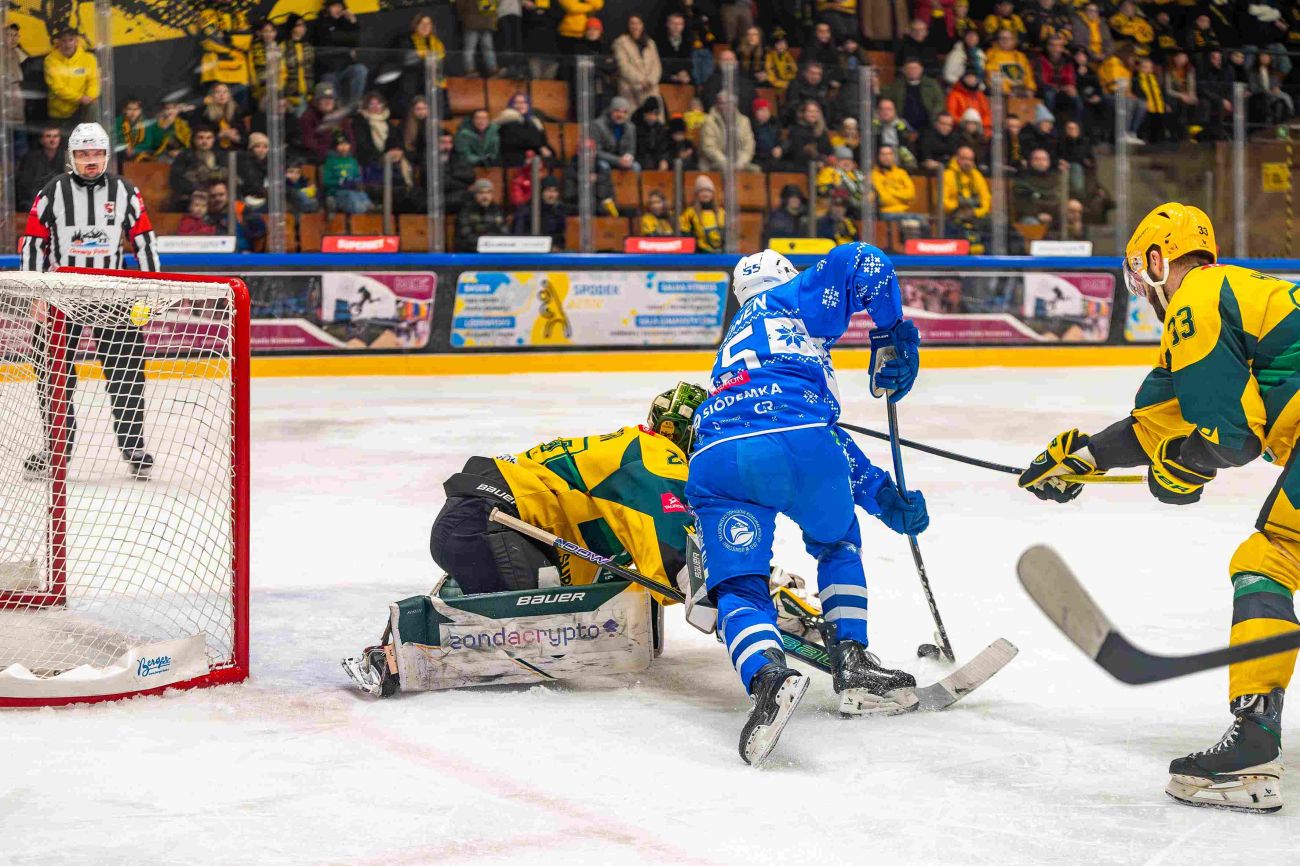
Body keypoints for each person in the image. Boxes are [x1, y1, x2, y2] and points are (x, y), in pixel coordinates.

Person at [1016, 202, 1300, 813]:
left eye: (1141, 277)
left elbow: (1229, 437)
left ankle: (1253, 743)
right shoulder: (1236, 293)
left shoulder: (1197, 296)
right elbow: (1160, 420)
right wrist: (1085, 458)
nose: (1143, 293)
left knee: (1270, 560)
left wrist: (1185, 465)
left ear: (1157, 259)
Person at [685, 244, 926, 765]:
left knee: (739, 584)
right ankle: (853, 663)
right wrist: (892, 334)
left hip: (716, 457)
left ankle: (768, 678)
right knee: (837, 544)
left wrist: (882, 492)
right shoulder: (790, 298)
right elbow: (864, 260)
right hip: (802, 443)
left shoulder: (730, 348)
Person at [18, 122, 161, 482]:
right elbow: (33, 243)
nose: (91, 160)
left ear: (107, 155)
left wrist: (152, 290)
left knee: (127, 373)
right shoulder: (52, 191)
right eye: (83, 154)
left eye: (97, 153)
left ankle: (134, 447)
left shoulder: (126, 191)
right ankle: (56, 448)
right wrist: (36, 294)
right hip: (61, 297)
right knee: (52, 375)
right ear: (72, 156)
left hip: (112, 295)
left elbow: (144, 241)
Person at [198, 0, 253, 107]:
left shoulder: (239, 15)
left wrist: (228, 40)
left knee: (241, 110)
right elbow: (209, 42)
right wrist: (232, 48)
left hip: (238, 73)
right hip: (215, 72)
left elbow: (246, 40)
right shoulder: (206, 14)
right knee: (214, 110)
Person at [314, 0, 367, 106]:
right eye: (334, 6)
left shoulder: (345, 23)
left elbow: (356, 41)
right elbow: (332, 38)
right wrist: (348, 47)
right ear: (328, 8)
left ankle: (354, 105)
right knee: (329, 79)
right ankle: (337, 108)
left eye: (340, 6)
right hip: (329, 69)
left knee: (360, 69)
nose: (338, 9)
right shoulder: (320, 23)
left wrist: (353, 22)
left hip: (345, 67)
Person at [44, 27, 98, 128]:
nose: (67, 44)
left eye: (70, 40)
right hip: (59, 114)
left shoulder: (89, 58)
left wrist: (89, 97)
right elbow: (57, 87)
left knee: (94, 106)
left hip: (81, 110)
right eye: (64, 41)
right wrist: (79, 98)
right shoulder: (50, 60)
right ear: (58, 42)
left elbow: (94, 81)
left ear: (76, 41)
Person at [168, 125, 226, 210]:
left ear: (213, 140)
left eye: (208, 138)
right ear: (194, 140)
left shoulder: (221, 156)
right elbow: (176, 179)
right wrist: (193, 190)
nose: (204, 141)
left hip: (217, 195)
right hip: (192, 196)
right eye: (200, 138)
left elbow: (227, 174)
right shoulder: (184, 156)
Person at [943, 145, 991, 245]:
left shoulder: (977, 175)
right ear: (957, 159)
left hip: (976, 215)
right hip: (955, 215)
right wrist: (957, 209)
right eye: (964, 159)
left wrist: (977, 212)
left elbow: (986, 199)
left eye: (970, 160)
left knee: (994, 225)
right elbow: (942, 201)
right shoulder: (947, 175)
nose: (968, 163)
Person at [882, 59, 945, 135]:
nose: (912, 71)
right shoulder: (896, 85)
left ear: (921, 69)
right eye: (909, 68)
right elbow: (887, 100)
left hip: (928, 125)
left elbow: (940, 102)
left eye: (915, 68)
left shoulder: (932, 84)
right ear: (904, 70)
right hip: (903, 126)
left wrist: (934, 117)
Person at [698, 91, 755, 172]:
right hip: (713, 163)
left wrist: (741, 162)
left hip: (738, 163)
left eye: (728, 103)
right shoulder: (708, 121)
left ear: (734, 105)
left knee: (756, 171)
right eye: (721, 103)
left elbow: (749, 147)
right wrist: (725, 162)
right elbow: (709, 147)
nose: (724, 106)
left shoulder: (744, 121)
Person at [612, 16, 661, 110]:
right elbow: (623, 66)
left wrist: (650, 81)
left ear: (642, 25)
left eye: (638, 23)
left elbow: (656, 66)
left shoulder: (650, 43)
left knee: (653, 112)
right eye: (632, 23)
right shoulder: (620, 42)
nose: (635, 26)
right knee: (632, 115)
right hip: (630, 88)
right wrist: (641, 80)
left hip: (650, 88)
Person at [496, 92, 555, 167]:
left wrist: (547, 150)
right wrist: (539, 147)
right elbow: (512, 145)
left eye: (524, 102)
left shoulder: (535, 122)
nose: (521, 105)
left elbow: (543, 142)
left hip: (535, 157)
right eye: (517, 102)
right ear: (511, 105)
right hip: (514, 159)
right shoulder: (507, 122)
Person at [322, 131, 372, 214]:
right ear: (335, 147)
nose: (344, 148)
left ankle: (368, 209)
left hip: (353, 189)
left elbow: (357, 176)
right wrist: (341, 182)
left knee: (362, 195)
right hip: (337, 191)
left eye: (346, 144)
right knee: (351, 196)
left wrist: (357, 181)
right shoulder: (330, 162)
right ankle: (334, 204)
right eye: (340, 145)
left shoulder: (353, 161)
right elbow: (326, 181)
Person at [16, 126, 65, 209]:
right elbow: (25, 186)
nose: (52, 140)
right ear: (41, 140)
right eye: (48, 136)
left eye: (56, 136)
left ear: (60, 139)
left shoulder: (66, 157)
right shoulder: (30, 158)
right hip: (34, 205)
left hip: (60, 206)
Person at [511, 175, 565, 247]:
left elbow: (560, 239)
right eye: (548, 191)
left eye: (555, 191)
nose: (552, 195)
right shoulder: (526, 211)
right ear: (541, 192)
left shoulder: (559, 211)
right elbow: (517, 237)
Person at [456, 178, 506, 251]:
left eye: (488, 192)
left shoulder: (497, 210)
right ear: (475, 195)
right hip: (472, 250)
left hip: (494, 249)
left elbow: (504, 232)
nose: (485, 196)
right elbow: (465, 234)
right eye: (481, 193)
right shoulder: (466, 210)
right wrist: (484, 243)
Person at [680, 174, 723, 253]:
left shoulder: (721, 213)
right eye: (702, 191)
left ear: (713, 194)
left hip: (721, 254)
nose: (705, 194)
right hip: (698, 255)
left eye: (708, 191)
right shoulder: (689, 213)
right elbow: (685, 236)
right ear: (696, 194)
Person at [455, 0, 499, 77]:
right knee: (471, 48)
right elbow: (460, 5)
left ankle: (492, 69)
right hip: (473, 20)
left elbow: (493, 5)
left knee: (486, 47)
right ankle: (470, 69)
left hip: (483, 21)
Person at [282, 14, 316, 114]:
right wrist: (282, 94)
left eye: (304, 25)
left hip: (308, 94)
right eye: (299, 25)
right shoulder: (283, 47)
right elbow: (281, 72)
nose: (303, 28)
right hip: (291, 95)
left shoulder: (308, 46)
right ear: (292, 28)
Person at [592, 96, 638, 171]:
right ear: (610, 111)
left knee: (636, 167)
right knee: (604, 166)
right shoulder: (597, 125)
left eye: (624, 112)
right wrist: (617, 160)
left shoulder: (631, 127)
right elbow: (596, 152)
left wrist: (628, 158)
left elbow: (631, 149)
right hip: (604, 160)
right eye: (617, 111)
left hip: (622, 161)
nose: (620, 115)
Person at [985, 29, 1036, 96]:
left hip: (1022, 92)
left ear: (1014, 41)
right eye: (1002, 38)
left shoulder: (1021, 56)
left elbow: (1029, 76)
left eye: (1008, 38)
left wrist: (1031, 89)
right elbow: (993, 76)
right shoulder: (992, 54)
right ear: (998, 40)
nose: (1005, 41)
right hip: (1002, 95)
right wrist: (1008, 92)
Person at [947, 68, 991, 136]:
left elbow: (986, 114)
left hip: (978, 130)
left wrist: (983, 127)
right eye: (969, 77)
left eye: (973, 77)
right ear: (963, 79)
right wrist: (965, 123)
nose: (971, 79)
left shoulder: (980, 96)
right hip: (960, 130)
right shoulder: (954, 95)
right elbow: (951, 114)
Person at [632, 98, 670, 171]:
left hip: (656, 160)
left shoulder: (660, 128)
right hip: (640, 159)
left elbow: (664, 148)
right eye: (649, 114)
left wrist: (663, 159)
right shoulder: (636, 128)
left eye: (655, 114)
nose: (652, 117)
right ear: (644, 114)